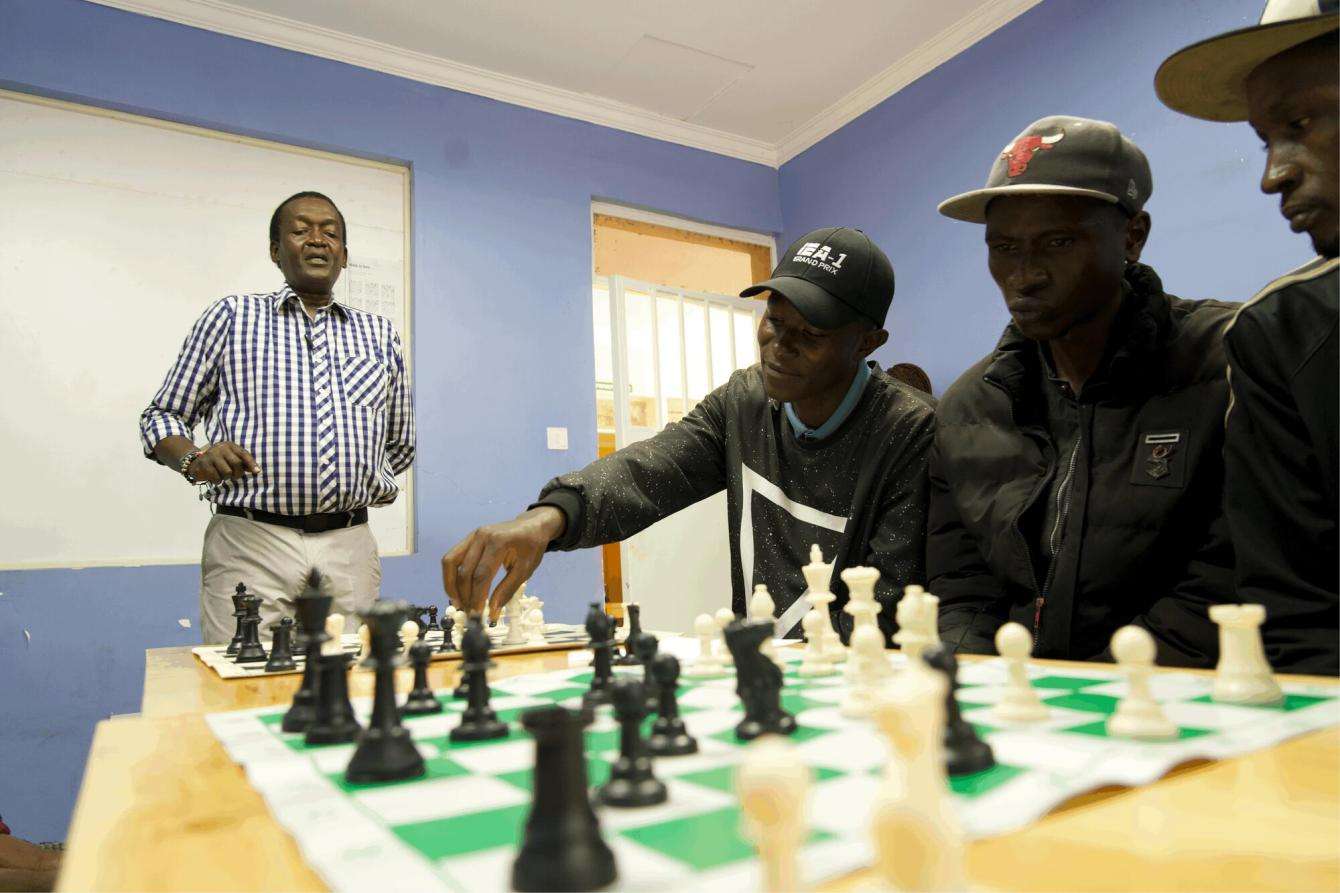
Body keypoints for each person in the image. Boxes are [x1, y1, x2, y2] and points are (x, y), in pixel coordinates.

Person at [443, 228, 935, 640]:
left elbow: (891, 605)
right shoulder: (744, 401)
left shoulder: (910, 432)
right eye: (774, 321)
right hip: (760, 673)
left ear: (868, 342)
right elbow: (649, 470)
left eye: (809, 336)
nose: (778, 347)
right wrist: (550, 517)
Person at [929, 117, 1237, 667]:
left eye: (1058, 242)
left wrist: (1092, 693)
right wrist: (976, 690)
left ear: (1133, 236)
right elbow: (964, 586)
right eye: (1003, 247)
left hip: (1190, 709)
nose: (1024, 276)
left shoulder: (1229, 363)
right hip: (1030, 710)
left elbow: (1234, 573)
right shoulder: (966, 409)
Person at [139, 191, 415, 643]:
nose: (317, 240)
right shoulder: (231, 317)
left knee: (352, 688)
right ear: (275, 250)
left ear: (344, 255)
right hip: (251, 543)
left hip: (349, 546)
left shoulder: (379, 335)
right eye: (301, 229)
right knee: (245, 684)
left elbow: (400, 442)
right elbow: (162, 416)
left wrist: (359, 479)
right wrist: (194, 459)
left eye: (330, 232)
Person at [1156, 1, 1338, 675]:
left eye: (1300, 122)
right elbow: (1297, 622)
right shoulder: (1280, 336)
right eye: (1266, 140)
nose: (1273, 175)